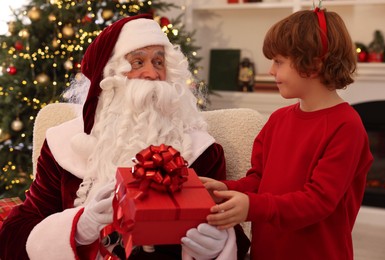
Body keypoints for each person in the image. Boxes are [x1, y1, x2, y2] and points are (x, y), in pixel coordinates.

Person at [0, 14, 250, 259]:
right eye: (138, 63)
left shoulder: (201, 151)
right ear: (108, 77)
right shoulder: (62, 144)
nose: (152, 74)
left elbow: (229, 228)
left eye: (159, 62)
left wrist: (219, 247)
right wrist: (77, 228)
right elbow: (16, 231)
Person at [200, 7, 374, 260]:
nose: (271, 71)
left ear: (313, 64)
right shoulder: (278, 120)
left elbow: (318, 202)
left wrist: (252, 207)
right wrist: (225, 189)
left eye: (279, 61)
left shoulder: (346, 127)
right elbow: (260, 180)